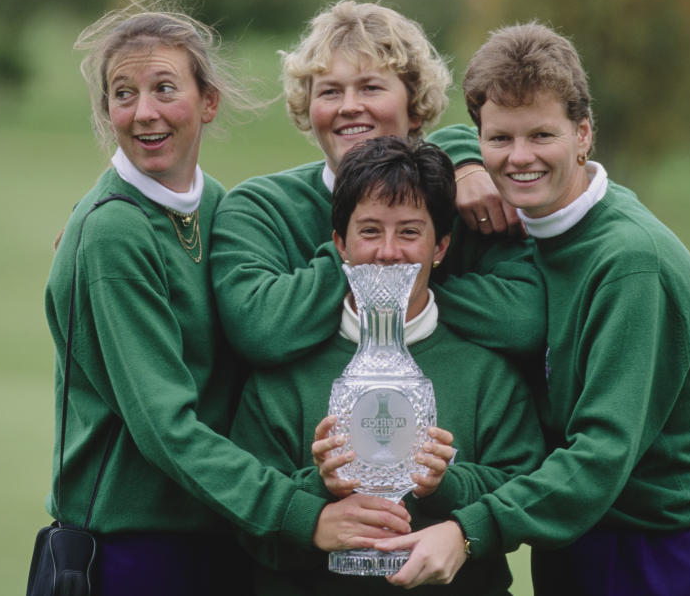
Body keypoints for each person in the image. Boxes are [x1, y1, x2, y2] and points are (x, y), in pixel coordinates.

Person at [43, 0, 409, 596]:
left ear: (207, 103)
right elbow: (166, 429)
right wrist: (301, 513)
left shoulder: (214, 204)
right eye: (122, 94)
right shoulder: (111, 231)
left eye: (165, 88)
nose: (143, 113)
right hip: (132, 549)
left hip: (219, 531)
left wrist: (468, 162)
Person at [377, 23, 690, 595]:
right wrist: (464, 163)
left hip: (660, 546)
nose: (520, 158)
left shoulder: (630, 263)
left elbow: (600, 455)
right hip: (570, 535)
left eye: (541, 136)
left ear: (583, 134)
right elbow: (449, 139)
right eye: (499, 139)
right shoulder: (522, 221)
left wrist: (470, 530)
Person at [230, 136, 546, 595]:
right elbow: (244, 512)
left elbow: (525, 492)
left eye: (410, 232)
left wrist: (447, 483)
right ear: (340, 242)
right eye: (370, 231)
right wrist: (319, 491)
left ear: (440, 247)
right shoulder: (285, 372)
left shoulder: (486, 369)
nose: (389, 252)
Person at [210, 0, 545, 367]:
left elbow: (522, 322)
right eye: (329, 92)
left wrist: (415, 291)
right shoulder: (258, 208)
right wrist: (390, 274)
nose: (349, 106)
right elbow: (263, 331)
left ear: (414, 106)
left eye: (370, 88)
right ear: (308, 108)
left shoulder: (465, 197)